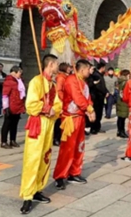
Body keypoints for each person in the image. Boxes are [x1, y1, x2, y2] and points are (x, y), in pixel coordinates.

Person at [19, 54, 62, 215]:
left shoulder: (52, 84)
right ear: (50, 64)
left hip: (49, 124)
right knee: (33, 159)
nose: (57, 67)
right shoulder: (37, 81)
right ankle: (28, 196)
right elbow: (30, 105)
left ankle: (38, 188)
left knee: (45, 157)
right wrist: (45, 108)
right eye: (56, 64)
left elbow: (58, 104)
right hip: (37, 123)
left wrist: (54, 110)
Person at [53, 59, 96, 190]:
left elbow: (87, 98)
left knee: (79, 146)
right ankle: (60, 176)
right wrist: (89, 109)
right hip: (70, 118)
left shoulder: (83, 82)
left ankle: (74, 172)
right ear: (83, 69)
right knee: (67, 148)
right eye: (88, 69)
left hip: (80, 117)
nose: (90, 71)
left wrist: (89, 109)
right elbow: (77, 98)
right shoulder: (71, 80)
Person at [1, 66, 25, 149]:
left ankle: (12, 140)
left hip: (17, 106)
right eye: (19, 73)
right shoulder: (9, 81)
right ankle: (3, 142)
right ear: (14, 72)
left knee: (15, 124)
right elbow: (5, 95)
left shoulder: (19, 81)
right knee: (7, 124)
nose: (20, 75)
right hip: (10, 106)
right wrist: (6, 107)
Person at [54, 63, 72, 146]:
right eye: (68, 67)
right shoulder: (61, 77)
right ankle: (56, 138)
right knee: (59, 120)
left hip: (66, 100)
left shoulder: (67, 76)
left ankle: (61, 137)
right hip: (61, 101)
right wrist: (64, 99)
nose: (70, 69)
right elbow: (59, 90)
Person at [88, 62, 108, 134]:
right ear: (102, 67)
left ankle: (97, 127)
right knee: (96, 112)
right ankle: (94, 128)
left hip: (100, 97)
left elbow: (103, 86)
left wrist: (106, 91)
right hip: (96, 97)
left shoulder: (100, 75)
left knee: (99, 113)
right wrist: (104, 92)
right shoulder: (96, 75)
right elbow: (98, 87)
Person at [115, 69, 130, 138]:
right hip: (123, 101)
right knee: (122, 117)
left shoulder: (119, 81)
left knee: (120, 117)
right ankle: (122, 132)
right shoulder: (126, 82)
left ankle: (119, 131)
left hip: (119, 100)